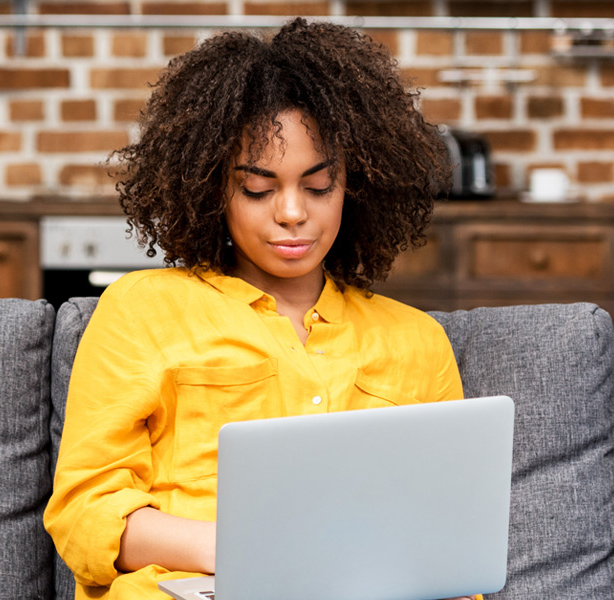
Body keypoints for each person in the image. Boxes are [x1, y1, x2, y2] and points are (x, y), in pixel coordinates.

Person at [42, 18, 478, 600]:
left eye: (319, 186)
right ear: (212, 187)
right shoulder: (143, 310)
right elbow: (86, 513)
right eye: (258, 188)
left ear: (358, 185)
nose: (293, 212)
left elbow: (447, 547)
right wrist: (239, 551)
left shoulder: (415, 341)